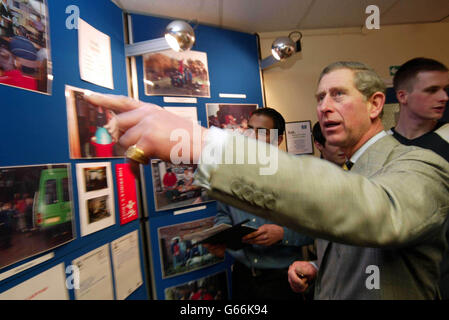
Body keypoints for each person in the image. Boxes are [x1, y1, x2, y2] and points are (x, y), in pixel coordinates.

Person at [84, 60, 449, 299]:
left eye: (338, 94)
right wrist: (319, 268)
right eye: (320, 97)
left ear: (375, 105)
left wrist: (202, 144)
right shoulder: (347, 170)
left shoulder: (422, 166)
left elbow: (374, 210)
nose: (324, 106)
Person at [205, 108, 314, 300]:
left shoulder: (298, 177)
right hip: (242, 277)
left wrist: (283, 234)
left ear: (278, 139)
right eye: (250, 130)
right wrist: (221, 236)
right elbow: (223, 214)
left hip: (282, 280)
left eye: (261, 133)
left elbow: (317, 229)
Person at [390, 57, 449, 298]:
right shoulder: (382, 148)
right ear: (403, 96)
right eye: (432, 90)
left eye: (446, 89)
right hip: (397, 279)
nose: (444, 97)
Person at [288, 122, 347, 297]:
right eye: (335, 144)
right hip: (324, 275)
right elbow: (306, 230)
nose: (342, 148)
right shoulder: (308, 181)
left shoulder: (361, 173)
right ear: (319, 145)